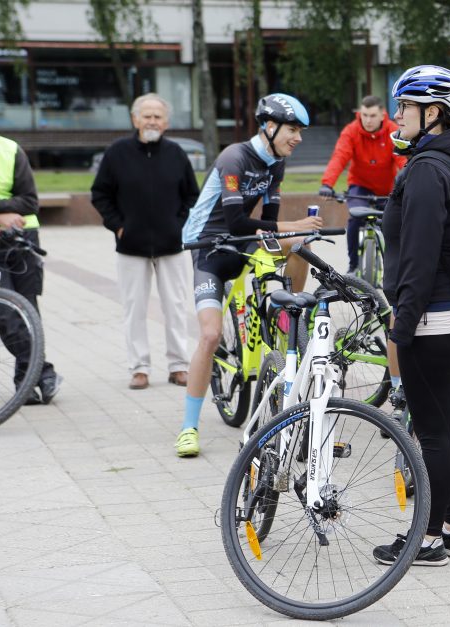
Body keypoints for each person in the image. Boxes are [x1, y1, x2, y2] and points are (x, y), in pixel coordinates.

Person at [372, 65, 450, 567]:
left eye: (403, 108)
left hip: (431, 319)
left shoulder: (425, 170)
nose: (396, 117)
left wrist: (403, 323)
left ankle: (430, 537)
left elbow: (417, 255)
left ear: (431, 112)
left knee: (434, 432)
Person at [174, 93, 323, 457]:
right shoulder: (234, 158)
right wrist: (293, 223)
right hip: (208, 246)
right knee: (209, 336)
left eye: (300, 131)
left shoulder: (276, 163)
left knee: (298, 243)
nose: (298, 138)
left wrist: (292, 232)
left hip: (244, 242)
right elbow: (239, 220)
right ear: (269, 127)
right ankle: (188, 428)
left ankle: (292, 314)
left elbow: (269, 220)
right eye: (292, 130)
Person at [91, 93, 200, 391]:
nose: (152, 121)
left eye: (157, 116)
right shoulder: (117, 153)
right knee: (134, 309)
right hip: (131, 246)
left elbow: (192, 195)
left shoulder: (177, 154)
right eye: (146, 115)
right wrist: (118, 226)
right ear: (135, 119)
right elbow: (100, 194)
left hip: (172, 246)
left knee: (176, 307)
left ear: (165, 122)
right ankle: (139, 368)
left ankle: (179, 366)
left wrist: (179, 226)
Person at [0, 135, 63, 405]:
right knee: (6, 316)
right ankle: (43, 373)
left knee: (28, 311)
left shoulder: (10, 149)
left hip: (21, 239)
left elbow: (29, 201)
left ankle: (26, 384)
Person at [317, 95, 406, 273]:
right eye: (364, 115)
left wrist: (408, 181)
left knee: (391, 222)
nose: (367, 120)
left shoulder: (393, 131)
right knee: (355, 218)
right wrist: (328, 184)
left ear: (382, 115)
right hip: (360, 187)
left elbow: (403, 160)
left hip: (386, 189)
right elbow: (339, 157)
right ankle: (353, 265)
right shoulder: (351, 131)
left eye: (372, 115)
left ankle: (392, 266)